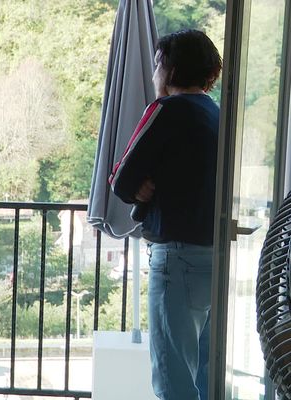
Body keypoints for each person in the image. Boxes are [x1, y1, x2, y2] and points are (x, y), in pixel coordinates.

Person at [109, 29, 222, 400]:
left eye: (158, 63)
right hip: (215, 258)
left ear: (170, 69)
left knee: (173, 378)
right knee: (204, 376)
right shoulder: (217, 114)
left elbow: (122, 181)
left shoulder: (166, 110)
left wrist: (136, 183)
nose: (155, 71)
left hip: (176, 259)